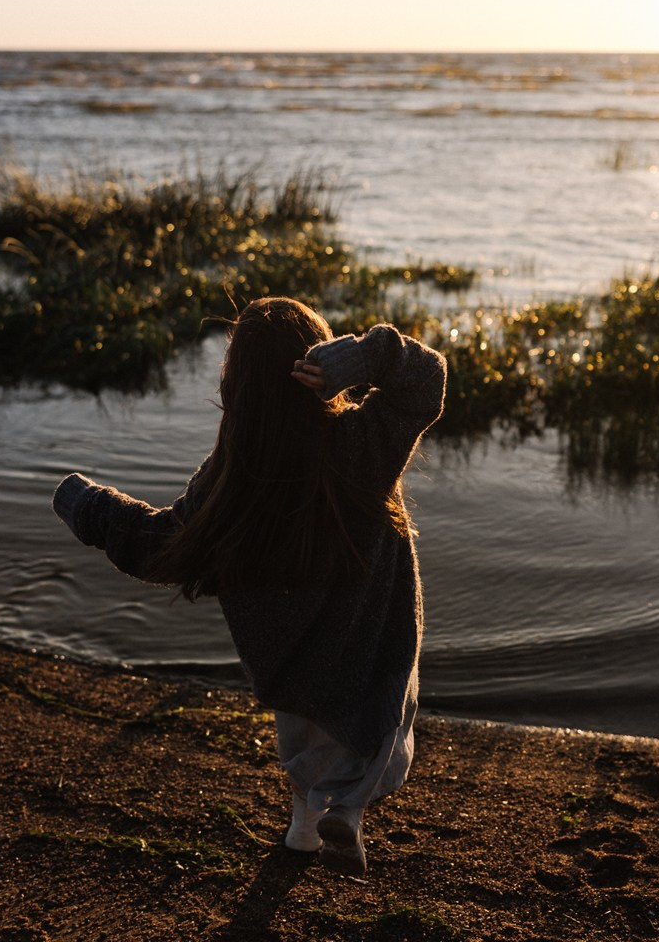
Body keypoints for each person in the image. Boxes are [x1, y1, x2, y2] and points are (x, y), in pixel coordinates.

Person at [52, 297, 447, 877]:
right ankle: (350, 810)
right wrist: (366, 358)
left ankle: (304, 831)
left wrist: (87, 506)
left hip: (288, 662)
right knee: (374, 719)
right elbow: (427, 381)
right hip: (366, 642)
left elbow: (157, 544)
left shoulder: (230, 479)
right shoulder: (359, 444)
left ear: (237, 384)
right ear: (319, 362)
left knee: (305, 744)